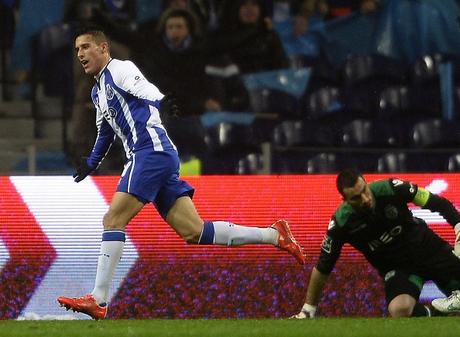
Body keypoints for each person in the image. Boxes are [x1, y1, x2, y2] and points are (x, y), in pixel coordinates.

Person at [57, 26, 306, 320]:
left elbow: (144, 89)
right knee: (194, 231)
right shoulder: (98, 91)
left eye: (86, 47)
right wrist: (91, 162)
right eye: (77, 50)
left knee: (113, 219)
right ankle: (273, 235)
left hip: (150, 152)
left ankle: (98, 300)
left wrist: (162, 101)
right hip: (157, 157)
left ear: (103, 48)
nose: (80, 54)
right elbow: (105, 131)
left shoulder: (120, 69)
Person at [292, 169, 460, 318]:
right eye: (356, 198)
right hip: (399, 268)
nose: (365, 199)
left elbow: (438, 203)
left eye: (364, 190)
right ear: (345, 200)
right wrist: (308, 308)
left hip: (430, 250)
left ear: (366, 182)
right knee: (399, 310)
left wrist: (458, 226)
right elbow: (323, 267)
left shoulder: (391, 188)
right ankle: (436, 314)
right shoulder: (341, 223)